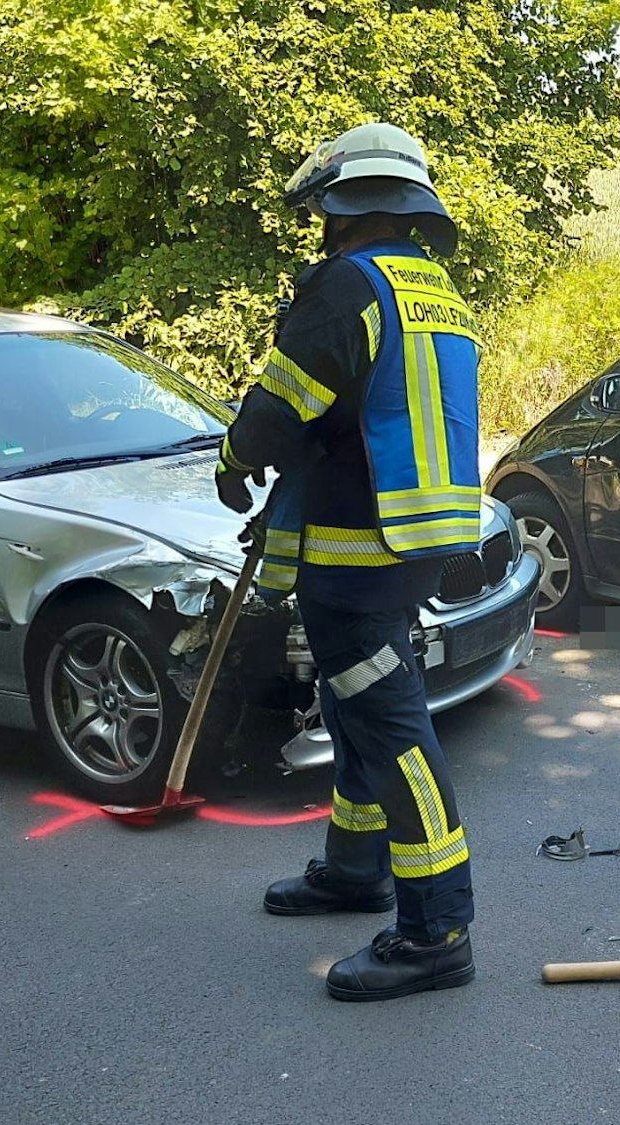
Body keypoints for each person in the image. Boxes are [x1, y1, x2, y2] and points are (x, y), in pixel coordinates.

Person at [217, 122, 483, 1001]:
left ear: (335, 210)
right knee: (355, 705)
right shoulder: (431, 286)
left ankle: (436, 929)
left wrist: (236, 456)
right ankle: (353, 868)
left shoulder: (344, 285)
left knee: (390, 725)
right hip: (412, 542)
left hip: (360, 553)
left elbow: (284, 406)